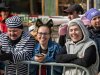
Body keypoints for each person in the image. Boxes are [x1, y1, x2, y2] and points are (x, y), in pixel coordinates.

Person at [84, 8, 100, 75]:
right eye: (94, 19)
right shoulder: (86, 34)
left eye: (99, 17)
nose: (98, 20)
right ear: (90, 21)